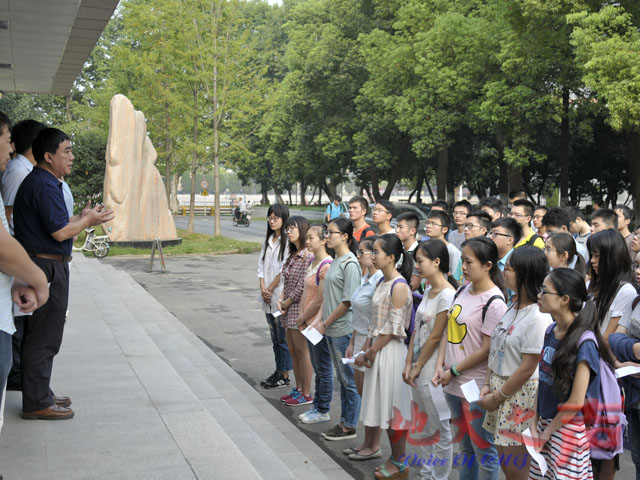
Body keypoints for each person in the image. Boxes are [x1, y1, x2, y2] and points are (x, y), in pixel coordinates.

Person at [13, 127, 113, 420]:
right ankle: (36, 402)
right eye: (66, 151)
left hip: (46, 263)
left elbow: (56, 223)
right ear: (48, 156)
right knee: (45, 335)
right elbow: (58, 233)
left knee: (43, 334)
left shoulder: (45, 182)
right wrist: (87, 221)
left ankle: (40, 392)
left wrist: (81, 218)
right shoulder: (43, 184)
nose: (71, 157)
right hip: (46, 265)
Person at [436, 236, 508, 480]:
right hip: (452, 383)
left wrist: (453, 370)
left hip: (475, 387)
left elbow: (487, 349)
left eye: (469, 262)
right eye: (463, 262)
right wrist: (440, 365)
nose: (463, 267)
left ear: (488, 265)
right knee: (465, 448)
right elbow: (449, 331)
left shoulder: (495, 302)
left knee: (484, 450)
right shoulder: (462, 289)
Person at [530, 268, 610, 480]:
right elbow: (543, 379)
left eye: (544, 291)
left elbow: (575, 402)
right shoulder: (551, 331)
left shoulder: (585, 342)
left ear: (564, 299)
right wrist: (534, 421)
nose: (539, 296)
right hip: (546, 425)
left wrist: (546, 432)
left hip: (567, 432)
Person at [479, 247, 552, 480]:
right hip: (501, 390)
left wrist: (497, 395)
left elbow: (528, 368)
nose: (504, 273)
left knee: (517, 469)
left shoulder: (538, 316)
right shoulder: (513, 304)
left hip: (519, 396)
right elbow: (496, 346)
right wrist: (486, 384)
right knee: (505, 463)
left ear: (525, 274)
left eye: (508, 269)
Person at [0, 110, 49, 443]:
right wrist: (38, 280)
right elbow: (4, 241)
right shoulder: (19, 172)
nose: (10, 149)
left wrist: (16, 279)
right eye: (5, 141)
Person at [356, 234, 413, 479]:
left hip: (390, 352)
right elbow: (375, 323)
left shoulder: (399, 285)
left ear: (391, 257)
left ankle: (400, 462)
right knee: (384, 410)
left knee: (394, 410)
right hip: (378, 351)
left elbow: (393, 328)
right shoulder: (382, 282)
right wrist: (366, 348)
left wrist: (371, 350)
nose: (373, 255)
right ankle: (394, 458)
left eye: (377, 252)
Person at [403, 239, 457, 480]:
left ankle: (439, 476)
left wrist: (416, 366)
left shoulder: (448, 294)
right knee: (423, 423)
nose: (417, 267)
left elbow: (436, 336)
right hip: (418, 363)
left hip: (433, 365)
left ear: (437, 262)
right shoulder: (428, 289)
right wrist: (408, 363)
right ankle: (426, 473)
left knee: (440, 428)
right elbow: (417, 327)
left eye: (421, 261)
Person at [308, 218, 362, 439]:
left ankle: (349, 425)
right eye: (327, 232)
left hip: (342, 329)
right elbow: (329, 296)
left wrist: (326, 323)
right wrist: (321, 323)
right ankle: (343, 422)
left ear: (345, 237)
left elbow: (348, 301)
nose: (328, 236)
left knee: (349, 380)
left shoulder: (350, 264)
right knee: (342, 378)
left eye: (332, 233)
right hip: (330, 329)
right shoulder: (338, 260)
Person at [344, 235, 384, 461]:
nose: (359, 256)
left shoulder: (379, 280)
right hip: (358, 338)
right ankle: (367, 442)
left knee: (370, 396)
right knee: (363, 394)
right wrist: (352, 342)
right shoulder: (364, 277)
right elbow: (357, 314)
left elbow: (375, 319)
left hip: (370, 343)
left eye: (363, 252)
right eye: (358, 252)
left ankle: (374, 445)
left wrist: (366, 347)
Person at [295, 224, 334, 424]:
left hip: (317, 324)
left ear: (323, 240)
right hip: (308, 322)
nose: (308, 242)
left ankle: (323, 408)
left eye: (311, 238)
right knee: (318, 366)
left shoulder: (326, 265)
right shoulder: (312, 261)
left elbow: (320, 299)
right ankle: (317, 405)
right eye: (307, 238)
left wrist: (303, 318)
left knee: (324, 368)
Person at [277, 216, 314, 406]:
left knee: (302, 351)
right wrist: (281, 298)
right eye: (287, 229)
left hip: (299, 308)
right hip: (288, 307)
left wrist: (288, 301)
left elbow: (302, 285)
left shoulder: (308, 255)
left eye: (292, 228)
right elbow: (287, 280)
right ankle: (298, 389)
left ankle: (306, 393)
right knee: (293, 351)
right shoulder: (293, 254)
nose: (288, 231)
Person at [257, 203, 292, 389]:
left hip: (279, 296)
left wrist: (269, 289)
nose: (272, 221)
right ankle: (279, 371)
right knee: (273, 336)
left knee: (282, 337)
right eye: (270, 218)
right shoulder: (268, 240)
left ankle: (284, 374)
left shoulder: (287, 243)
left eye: (275, 218)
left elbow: (283, 270)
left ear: (283, 219)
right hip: (267, 297)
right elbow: (260, 267)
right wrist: (263, 288)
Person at [612, 262, 640, 480]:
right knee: (637, 458)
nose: (637, 271)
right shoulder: (636, 301)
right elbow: (614, 339)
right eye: (637, 265)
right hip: (634, 396)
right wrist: (634, 348)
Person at [587, 229, 636, 342]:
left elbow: (608, 338)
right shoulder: (590, 285)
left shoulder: (626, 291)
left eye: (597, 256)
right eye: (592, 255)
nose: (592, 260)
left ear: (612, 257)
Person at [452, 210, 492, 285]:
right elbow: (457, 281)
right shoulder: (465, 250)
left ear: (483, 229)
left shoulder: (489, 252)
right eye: (466, 225)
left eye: (470, 226)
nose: (466, 229)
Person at [425, 210, 460, 276]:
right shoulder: (424, 247)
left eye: (433, 223)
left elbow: (455, 277)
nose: (428, 226)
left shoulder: (452, 251)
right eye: (427, 222)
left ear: (444, 229)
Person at [395, 212, 421, 291]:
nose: (397, 230)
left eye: (401, 227)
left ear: (412, 231)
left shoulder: (419, 252)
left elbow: (415, 283)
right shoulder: (399, 250)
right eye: (397, 227)